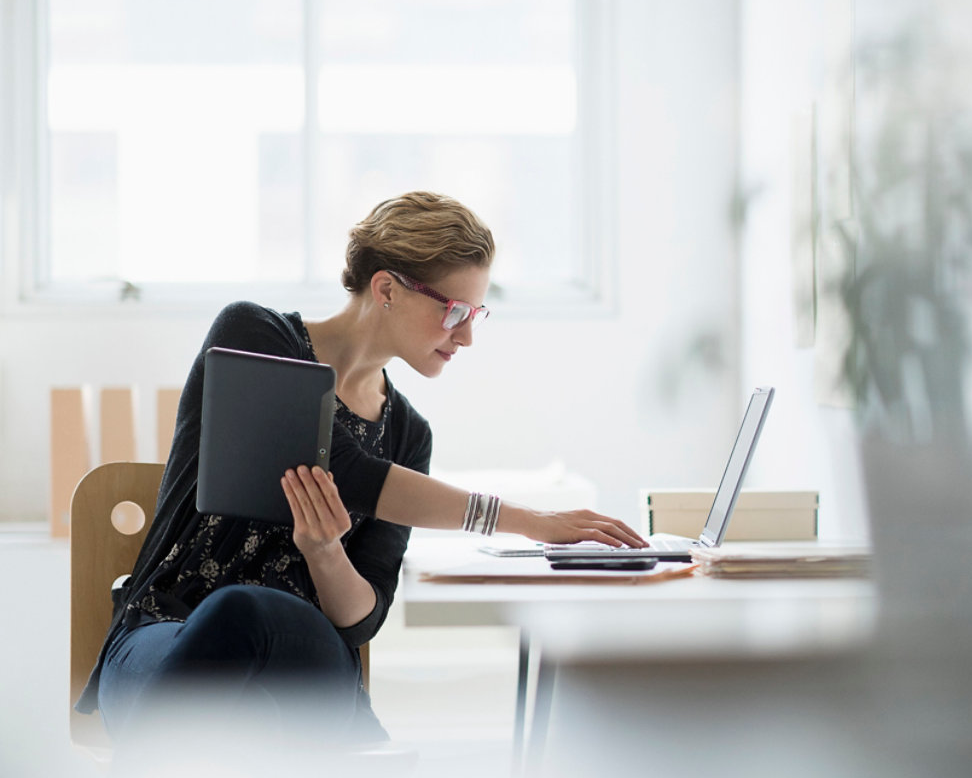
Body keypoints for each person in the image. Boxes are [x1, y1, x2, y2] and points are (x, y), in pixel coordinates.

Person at [77, 190, 646, 747]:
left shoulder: (408, 435)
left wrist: (325, 552)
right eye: (455, 311)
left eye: (476, 314)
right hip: (165, 631)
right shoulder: (254, 336)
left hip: (303, 658)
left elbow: (360, 620)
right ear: (387, 289)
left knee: (247, 635)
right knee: (236, 633)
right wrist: (529, 520)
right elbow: (345, 468)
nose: (468, 335)